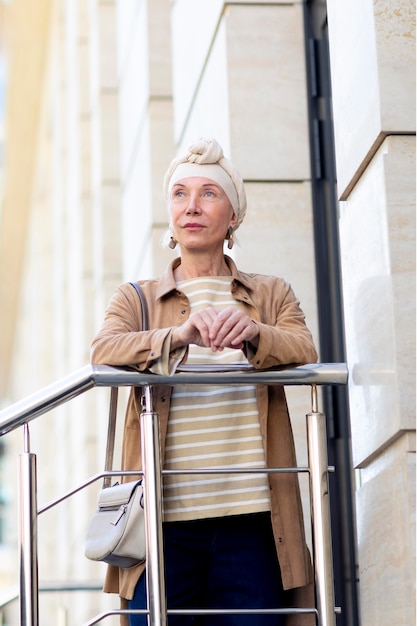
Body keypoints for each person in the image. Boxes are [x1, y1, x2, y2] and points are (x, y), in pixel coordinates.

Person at [91, 137, 318, 626]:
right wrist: (177, 335)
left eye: (209, 193)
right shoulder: (137, 299)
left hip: (255, 523)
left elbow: (304, 346)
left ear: (233, 215)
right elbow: (103, 351)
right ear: (169, 213)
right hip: (160, 525)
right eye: (179, 194)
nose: (191, 206)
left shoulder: (270, 293)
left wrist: (255, 333)